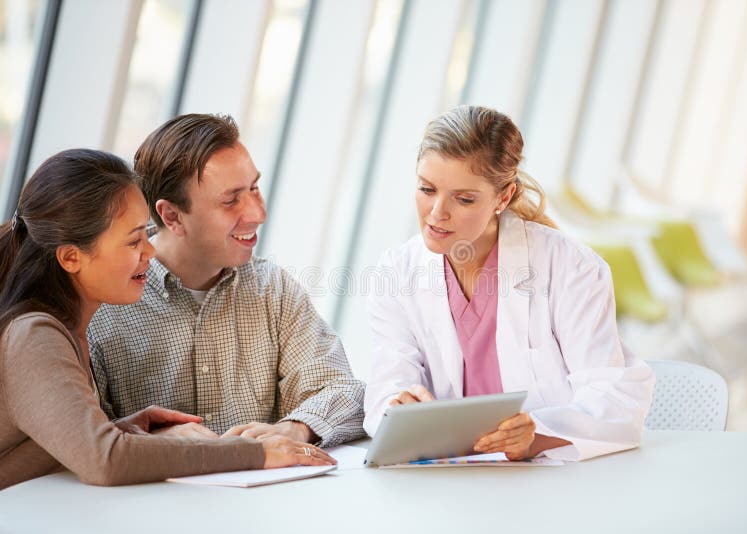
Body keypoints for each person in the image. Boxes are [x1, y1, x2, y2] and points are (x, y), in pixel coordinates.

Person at [0, 149, 335, 489]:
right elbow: (106, 460)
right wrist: (255, 453)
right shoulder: (35, 335)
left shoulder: (60, 329)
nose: (149, 251)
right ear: (71, 257)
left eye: (145, 234)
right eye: (133, 241)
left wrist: (124, 428)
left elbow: (51, 451)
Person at [364, 106, 655, 461]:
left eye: (464, 198)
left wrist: (536, 437)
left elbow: (615, 399)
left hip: (549, 482)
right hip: (448, 481)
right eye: (427, 189)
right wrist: (398, 407)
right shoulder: (397, 272)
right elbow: (384, 391)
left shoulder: (570, 267)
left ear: (503, 197)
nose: (437, 212)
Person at [88, 114, 365, 447]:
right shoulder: (103, 307)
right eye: (231, 200)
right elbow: (81, 435)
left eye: (254, 189)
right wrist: (144, 437)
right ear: (172, 216)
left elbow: (343, 391)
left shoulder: (272, 290)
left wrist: (295, 428)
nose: (258, 214)